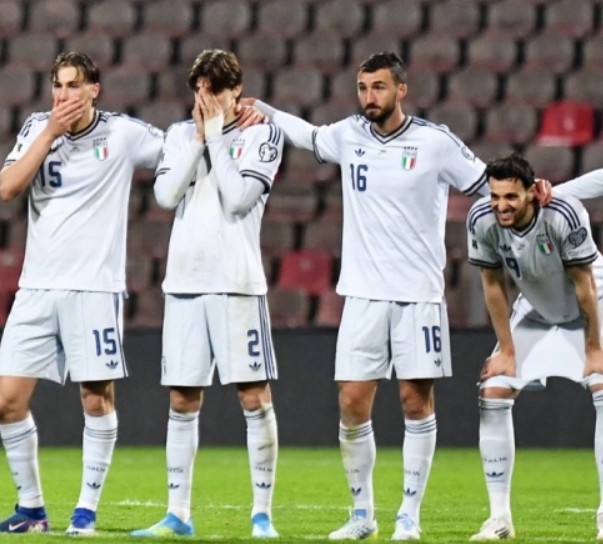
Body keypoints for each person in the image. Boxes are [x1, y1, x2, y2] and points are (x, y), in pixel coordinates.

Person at [248, 52, 489, 540]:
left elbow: (487, 186)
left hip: (418, 294)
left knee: (415, 401)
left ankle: (409, 515)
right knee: (352, 401)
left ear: (401, 89)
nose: (369, 97)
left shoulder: (436, 142)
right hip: (361, 294)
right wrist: (264, 110)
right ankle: (363, 515)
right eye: (362, 87)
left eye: (378, 87)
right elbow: (308, 135)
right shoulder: (349, 134)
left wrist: (530, 196)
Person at [0, 51, 163, 536]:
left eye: (74, 85)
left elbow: (177, 153)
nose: (63, 95)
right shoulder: (38, 128)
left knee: (96, 398)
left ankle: (86, 510)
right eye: (57, 85)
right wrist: (49, 134)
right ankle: (31, 511)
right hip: (37, 288)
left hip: (93, 288)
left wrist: (218, 126)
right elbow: (7, 187)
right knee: (6, 401)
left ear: (94, 90)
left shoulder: (123, 134)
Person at [129, 49, 282, 540]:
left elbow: (238, 199)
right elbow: (165, 195)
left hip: (237, 282)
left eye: (214, 88)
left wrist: (215, 135)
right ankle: (178, 513)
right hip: (184, 282)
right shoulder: (178, 135)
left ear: (237, 91)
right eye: (199, 88)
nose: (205, 97)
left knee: (253, 396)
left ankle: (262, 514)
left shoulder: (262, 135)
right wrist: (199, 138)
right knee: (182, 398)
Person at [467, 154, 603, 541]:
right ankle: (499, 519)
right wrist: (507, 352)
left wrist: (594, 349)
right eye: (495, 196)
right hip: (537, 310)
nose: (501, 206)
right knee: (493, 390)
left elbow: (585, 287)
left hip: (592, 304)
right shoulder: (481, 219)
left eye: (510, 196)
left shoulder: (563, 213)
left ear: (531, 192)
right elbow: (493, 285)